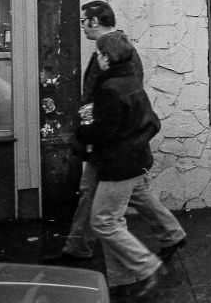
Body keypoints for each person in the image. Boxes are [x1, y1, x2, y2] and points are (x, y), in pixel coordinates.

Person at [76, 32, 186, 299]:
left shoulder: (110, 89)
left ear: (107, 57)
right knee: (140, 201)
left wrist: (83, 129)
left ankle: (146, 266)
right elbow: (151, 121)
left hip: (118, 164)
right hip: (135, 159)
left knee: (104, 221)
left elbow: (105, 131)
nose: (98, 58)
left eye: (100, 54)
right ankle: (125, 277)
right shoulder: (131, 81)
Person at [45, 0, 144, 264]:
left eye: (83, 21)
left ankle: (141, 265)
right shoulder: (106, 49)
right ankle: (80, 249)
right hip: (105, 139)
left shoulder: (118, 51)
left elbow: (125, 95)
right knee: (99, 198)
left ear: (95, 21)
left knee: (106, 210)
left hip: (107, 142)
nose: (82, 27)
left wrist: (90, 131)